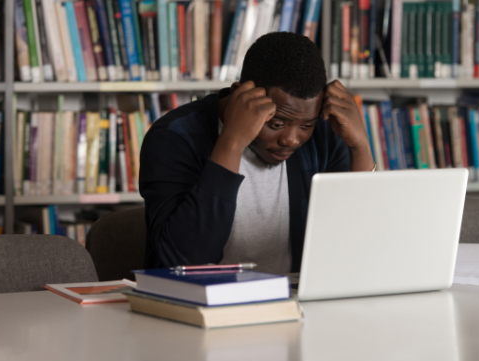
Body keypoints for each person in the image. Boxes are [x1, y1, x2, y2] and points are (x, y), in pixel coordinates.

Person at [140, 32, 375, 274]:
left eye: (306, 125)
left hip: (294, 301)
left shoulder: (324, 134)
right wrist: (232, 140)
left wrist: (360, 146)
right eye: (276, 123)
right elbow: (185, 259)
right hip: (198, 304)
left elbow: (359, 245)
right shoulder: (174, 137)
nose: (291, 139)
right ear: (239, 96)